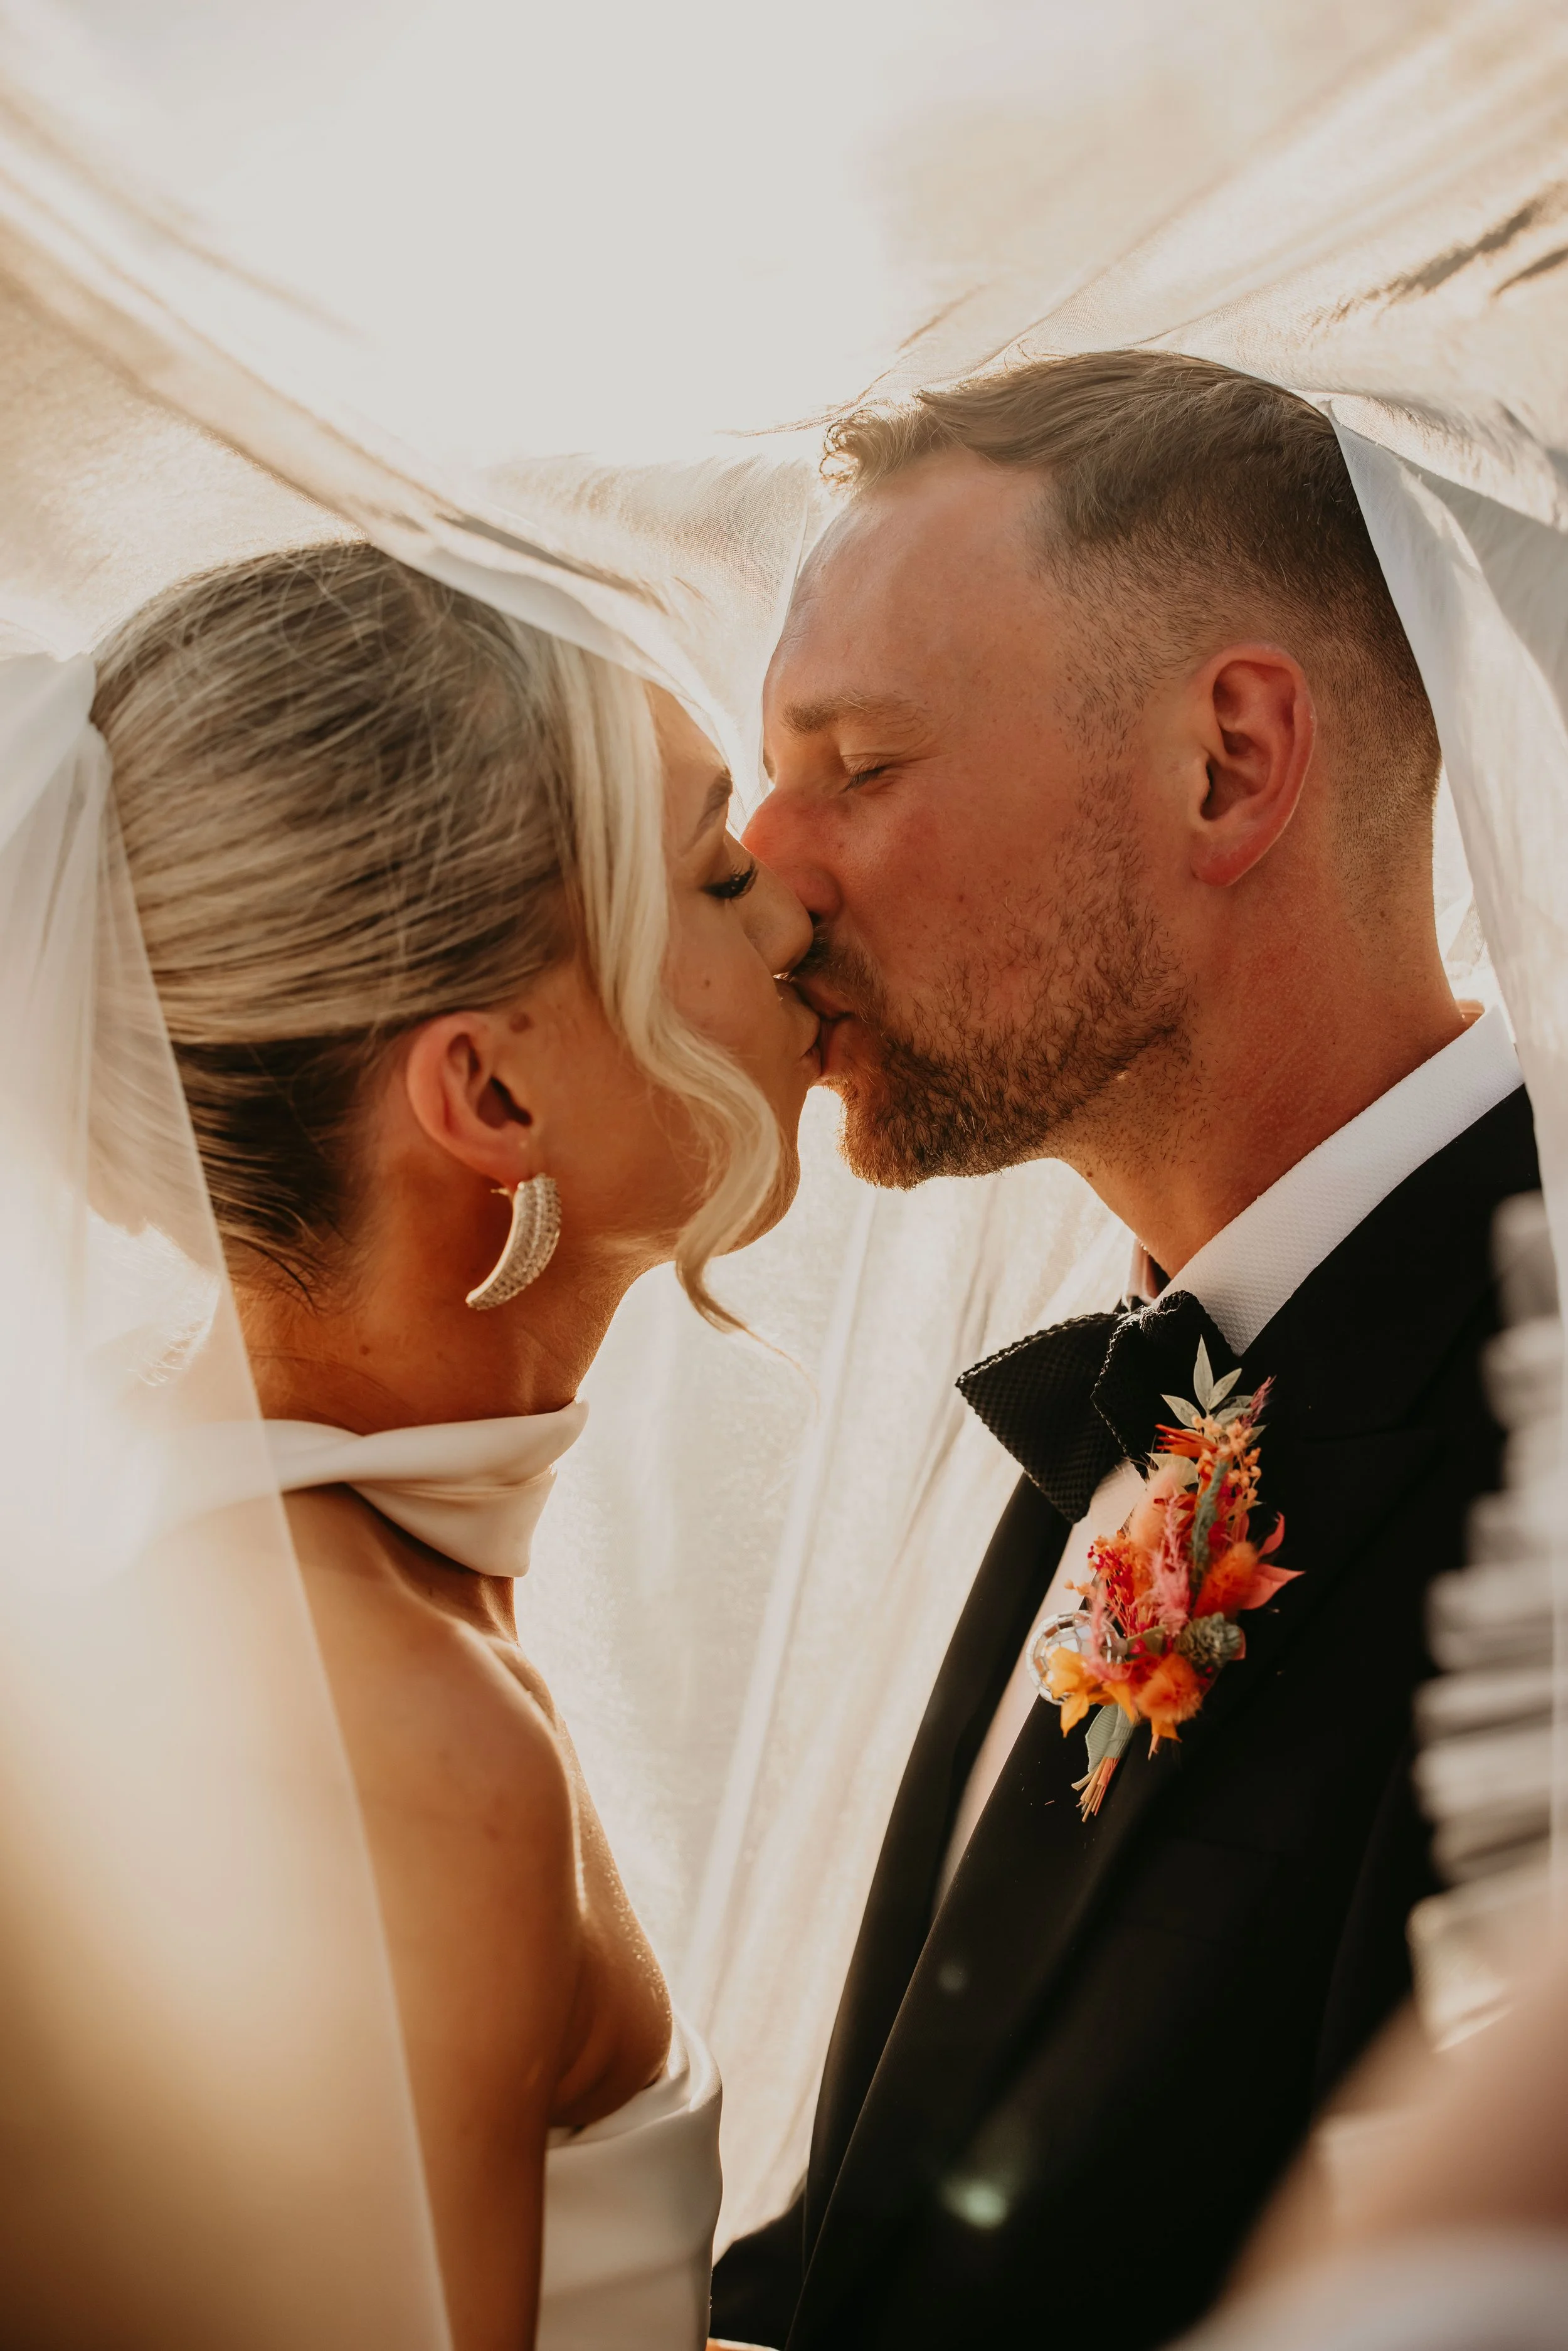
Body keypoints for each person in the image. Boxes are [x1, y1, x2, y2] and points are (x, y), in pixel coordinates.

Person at [710, 349, 1539, 2351]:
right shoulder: (1130, 1388)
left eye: (861, 761)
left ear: (1227, 764)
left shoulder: (1545, 1469)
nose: (766, 863)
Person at [92, 543, 820, 2351]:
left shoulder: (320, 1594)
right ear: (489, 1095)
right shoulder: (380, 1741)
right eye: (719, 873)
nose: (794, 910)